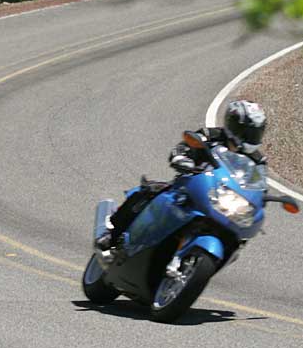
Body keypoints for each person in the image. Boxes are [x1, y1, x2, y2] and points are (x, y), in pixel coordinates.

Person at [94, 100, 268, 257]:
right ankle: (111, 235)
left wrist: (261, 200)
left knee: (238, 237)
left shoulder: (257, 161)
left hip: (223, 200)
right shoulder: (212, 136)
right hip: (190, 188)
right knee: (147, 193)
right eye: (246, 132)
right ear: (233, 125)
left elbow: (259, 187)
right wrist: (181, 158)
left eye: (254, 133)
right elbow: (184, 147)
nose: (249, 137)